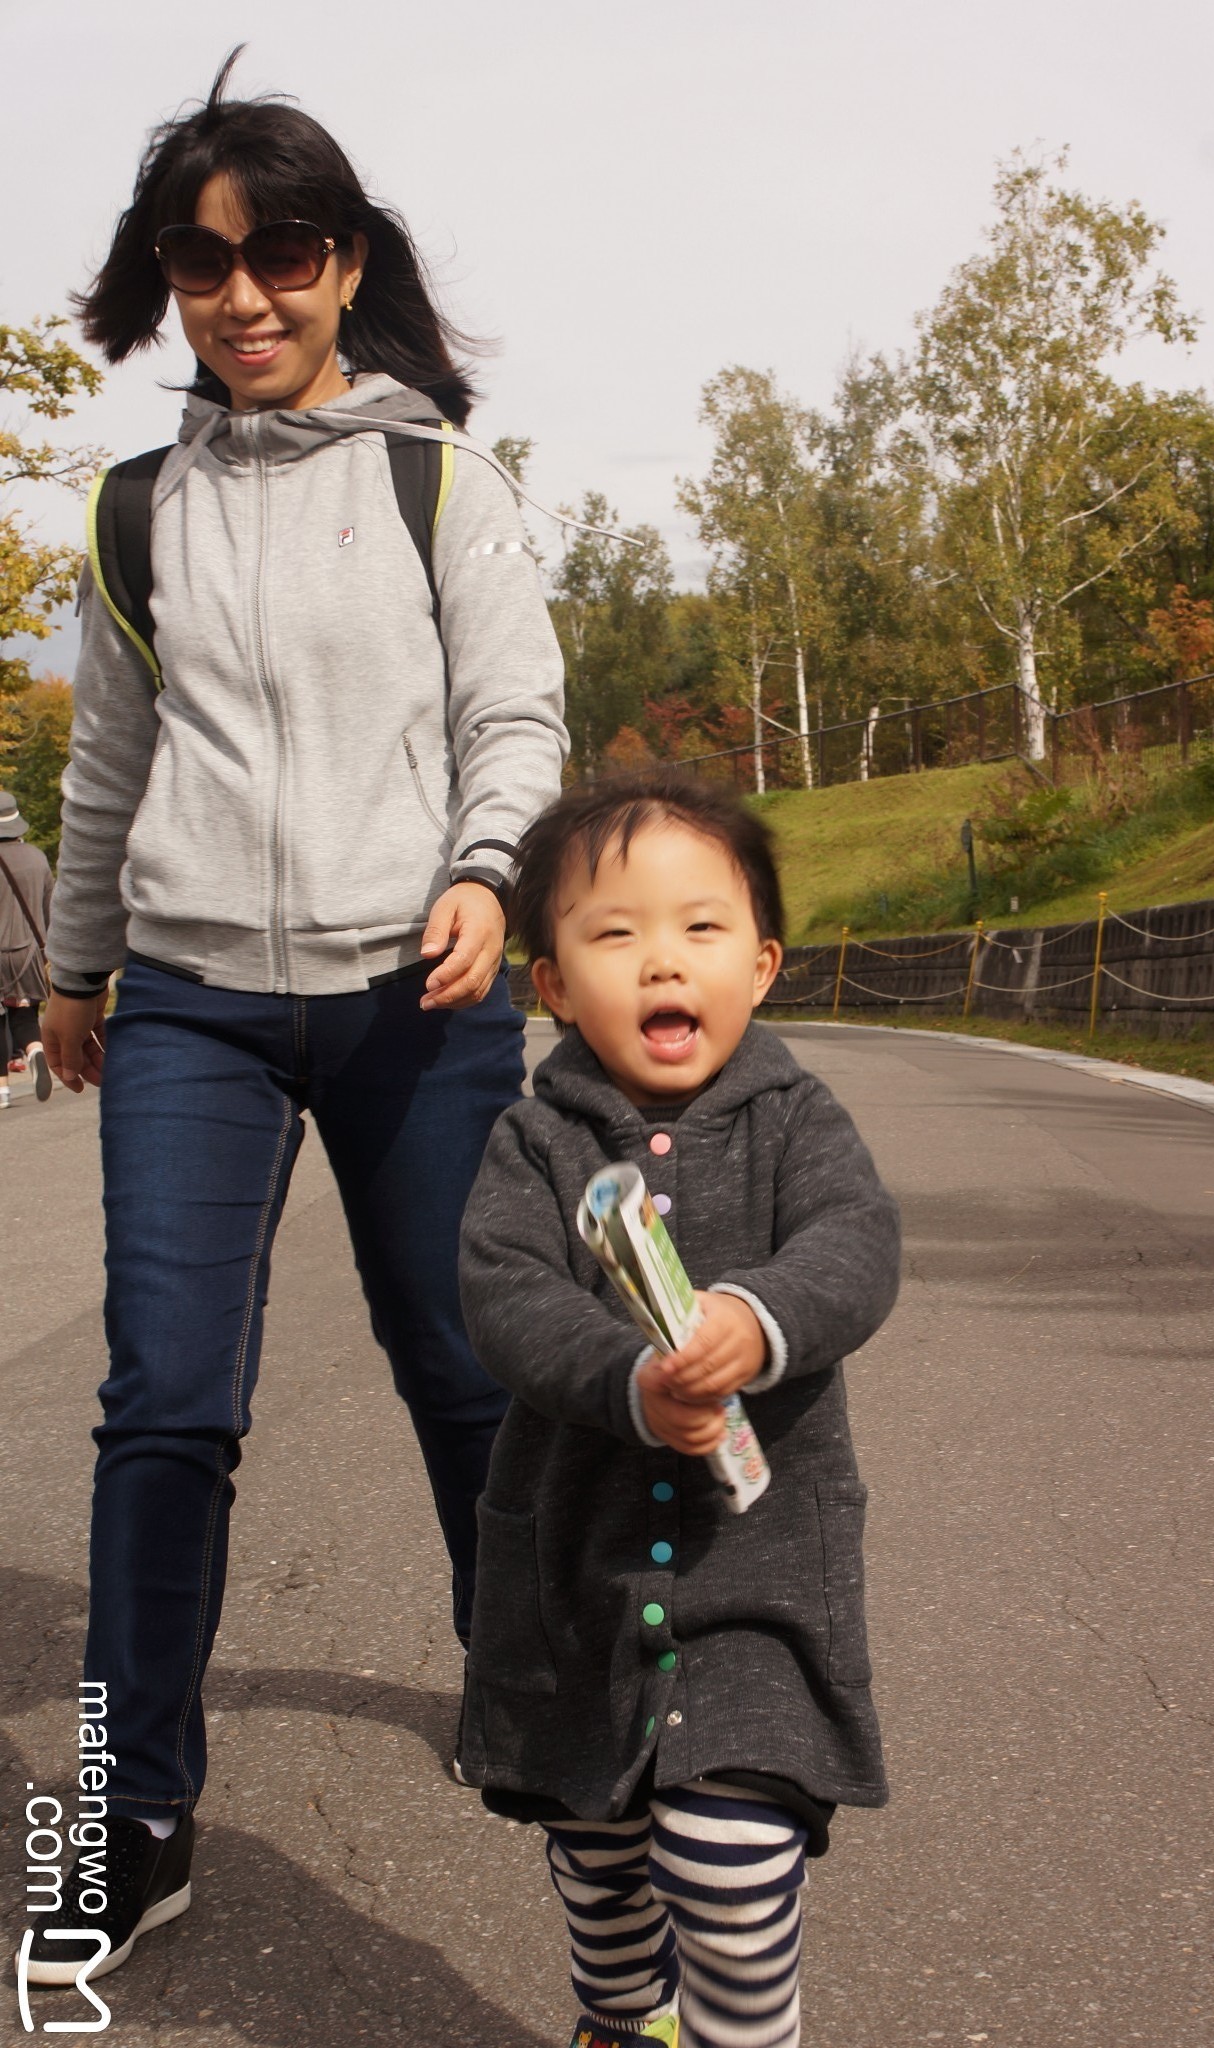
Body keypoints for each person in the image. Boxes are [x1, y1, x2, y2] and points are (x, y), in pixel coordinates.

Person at [24, 51, 566, 1989]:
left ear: (348, 265)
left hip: (411, 993)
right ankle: (125, 1801)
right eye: (201, 259)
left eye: (284, 254)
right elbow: (109, 767)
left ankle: (524, 1694)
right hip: (188, 1005)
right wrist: (78, 973)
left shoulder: (444, 482)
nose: (243, 295)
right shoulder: (135, 510)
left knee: (466, 1377)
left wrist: (489, 869)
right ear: (164, 276)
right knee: (162, 1403)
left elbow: (515, 720)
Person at [457, 773, 901, 2048]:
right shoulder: (534, 1143)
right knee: (597, 1849)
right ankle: (616, 2011)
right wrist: (630, 1383)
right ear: (549, 983)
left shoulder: (795, 1119)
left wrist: (754, 1319)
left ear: (759, 964)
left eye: (699, 929)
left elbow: (855, 1246)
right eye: (614, 934)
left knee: (725, 1861)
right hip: (576, 1572)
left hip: (757, 1572)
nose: (662, 958)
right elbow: (505, 1294)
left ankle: (741, 2031)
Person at [0, 790, 54, 1108]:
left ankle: (2, 1091)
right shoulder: (36, 857)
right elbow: (51, 908)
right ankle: (35, 1050)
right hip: (29, 953)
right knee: (24, 1015)